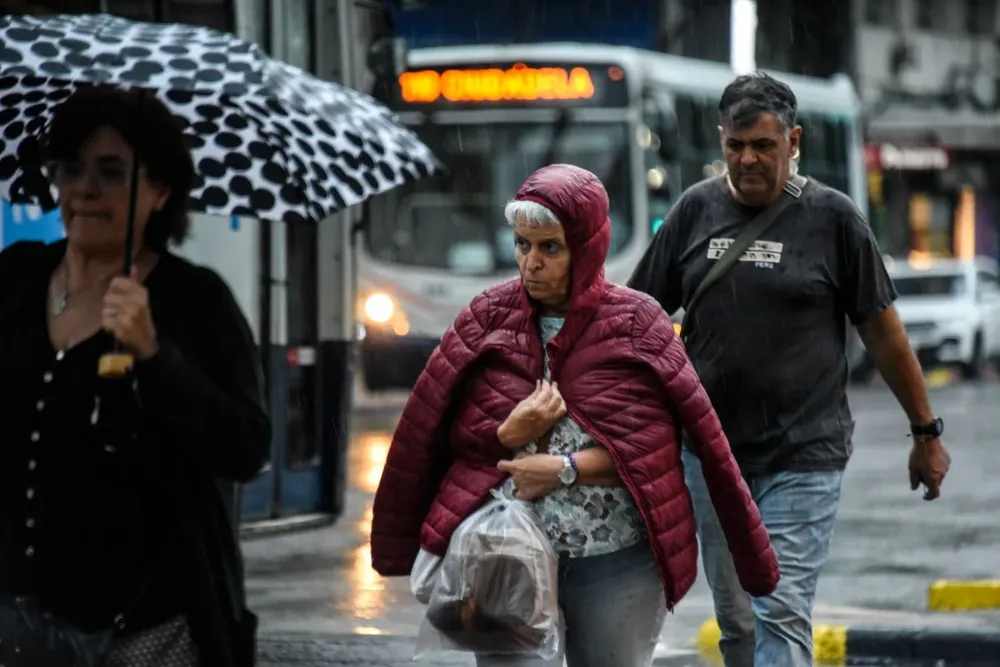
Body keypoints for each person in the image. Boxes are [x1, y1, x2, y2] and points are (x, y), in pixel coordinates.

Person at [370, 163, 780, 667]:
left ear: (586, 247)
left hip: (615, 559)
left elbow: (661, 447)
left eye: (550, 248)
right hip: (507, 555)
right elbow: (432, 434)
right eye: (523, 245)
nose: (531, 263)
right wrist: (509, 433)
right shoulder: (486, 318)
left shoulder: (636, 322)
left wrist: (564, 470)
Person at [628, 72, 952, 667]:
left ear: (793, 141)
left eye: (763, 146)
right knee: (738, 622)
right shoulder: (693, 212)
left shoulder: (835, 220)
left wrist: (926, 432)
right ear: (721, 141)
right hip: (710, 459)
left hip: (805, 455)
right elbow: (635, 317)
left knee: (779, 608)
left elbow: (882, 333)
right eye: (735, 146)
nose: (747, 159)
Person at [0, 85, 270, 666]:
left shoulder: (194, 301)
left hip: (144, 628)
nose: (85, 190)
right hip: (13, 623)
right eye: (71, 168)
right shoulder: (16, 279)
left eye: (112, 172)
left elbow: (246, 445)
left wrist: (155, 355)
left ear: (160, 192)